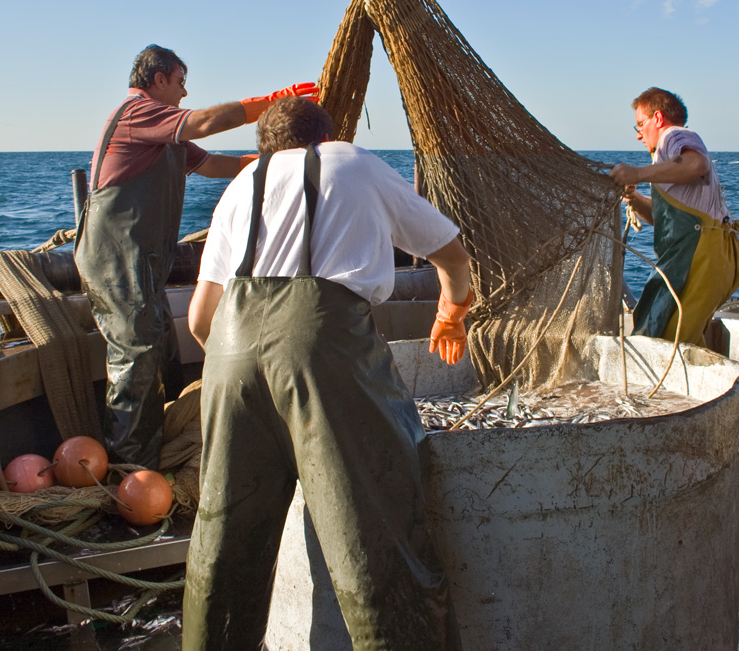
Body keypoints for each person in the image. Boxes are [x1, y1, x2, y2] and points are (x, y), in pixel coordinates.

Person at [182, 96, 470, 650]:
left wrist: (253, 384)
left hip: (228, 354)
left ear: (265, 146)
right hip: (320, 345)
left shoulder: (239, 187)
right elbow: (452, 256)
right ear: (325, 136)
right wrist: (450, 315)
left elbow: (200, 320)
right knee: (374, 528)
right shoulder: (352, 161)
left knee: (225, 535)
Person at [74, 44, 318, 468]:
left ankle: (156, 449)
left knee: (157, 348)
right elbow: (206, 122)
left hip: (142, 260)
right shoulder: (137, 113)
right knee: (135, 353)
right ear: (158, 79)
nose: (184, 93)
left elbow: (214, 165)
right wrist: (273, 103)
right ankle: (132, 471)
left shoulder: (165, 135)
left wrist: (278, 160)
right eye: (181, 82)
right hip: (115, 258)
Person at [610, 87, 739, 347]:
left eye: (640, 124)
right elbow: (663, 220)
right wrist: (634, 198)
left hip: (702, 256)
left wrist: (637, 174)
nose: (638, 135)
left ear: (658, 119)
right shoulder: (665, 161)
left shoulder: (674, 136)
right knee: (668, 332)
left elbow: (698, 165)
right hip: (710, 257)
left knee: (668, 342)